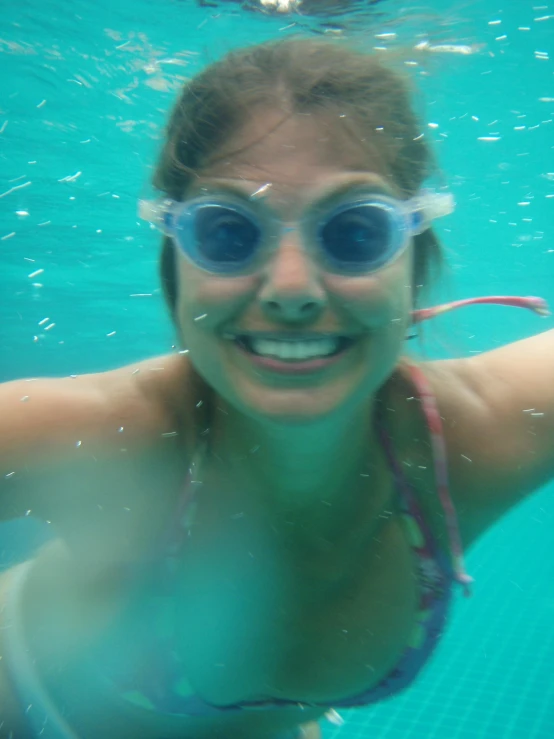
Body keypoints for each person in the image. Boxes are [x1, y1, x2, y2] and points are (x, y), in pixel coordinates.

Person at [0, 37, 552, 739]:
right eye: (228, 232)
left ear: (414, 259)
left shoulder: (480, 432)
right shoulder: (97, 434)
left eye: (355, 232)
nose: (291, 287)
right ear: (175, 261)